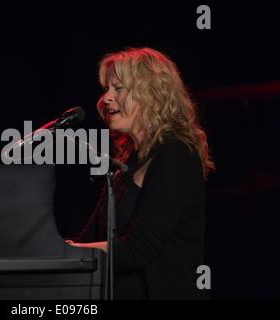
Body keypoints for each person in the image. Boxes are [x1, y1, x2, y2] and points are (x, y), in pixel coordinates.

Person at [65, 47, 215, 299]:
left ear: (151, 95)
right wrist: (56, 251)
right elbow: (89, 237)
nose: (106, 98)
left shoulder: (176, 154)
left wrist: (70, 254)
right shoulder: (126, 163)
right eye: (106, 89)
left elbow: (138, 250)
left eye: (118, 88)